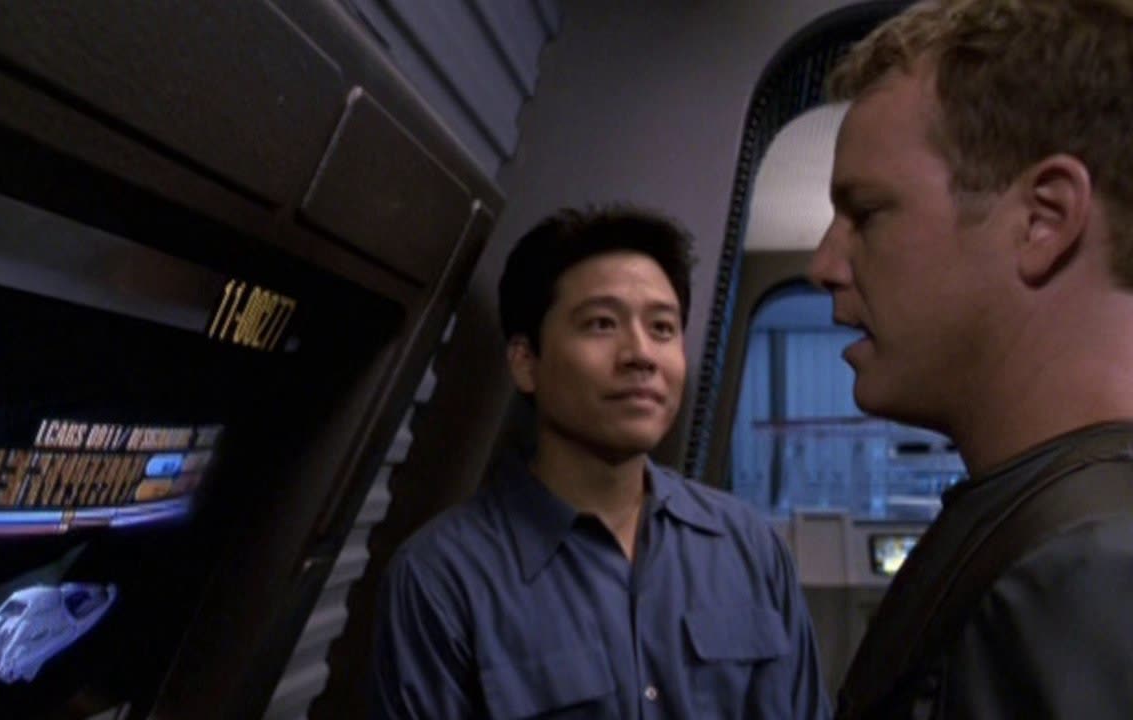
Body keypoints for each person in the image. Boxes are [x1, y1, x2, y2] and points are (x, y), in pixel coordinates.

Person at [369, 206, 829, 719]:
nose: (641, 354)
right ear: (526, 362)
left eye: (662, 328)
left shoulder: (749, 547)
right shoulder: (442, 579)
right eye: (602, 324)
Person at [808, 0, 1133, 717]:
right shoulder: (1032, 526)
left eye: (866, 213)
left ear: (1043, 220)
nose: (824, 265)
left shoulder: (1091, 568)